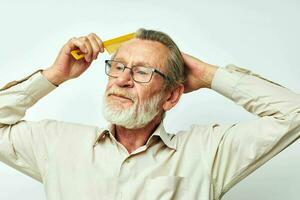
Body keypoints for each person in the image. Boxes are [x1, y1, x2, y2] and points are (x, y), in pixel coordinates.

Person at [0, 28, 299, 200]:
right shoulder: (58, 144)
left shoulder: (207, 152)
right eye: (117, 66)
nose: (122, 79)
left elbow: (293, 114)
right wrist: (54, 75)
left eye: (142, 71)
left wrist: (208, 75)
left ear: (171, 96)